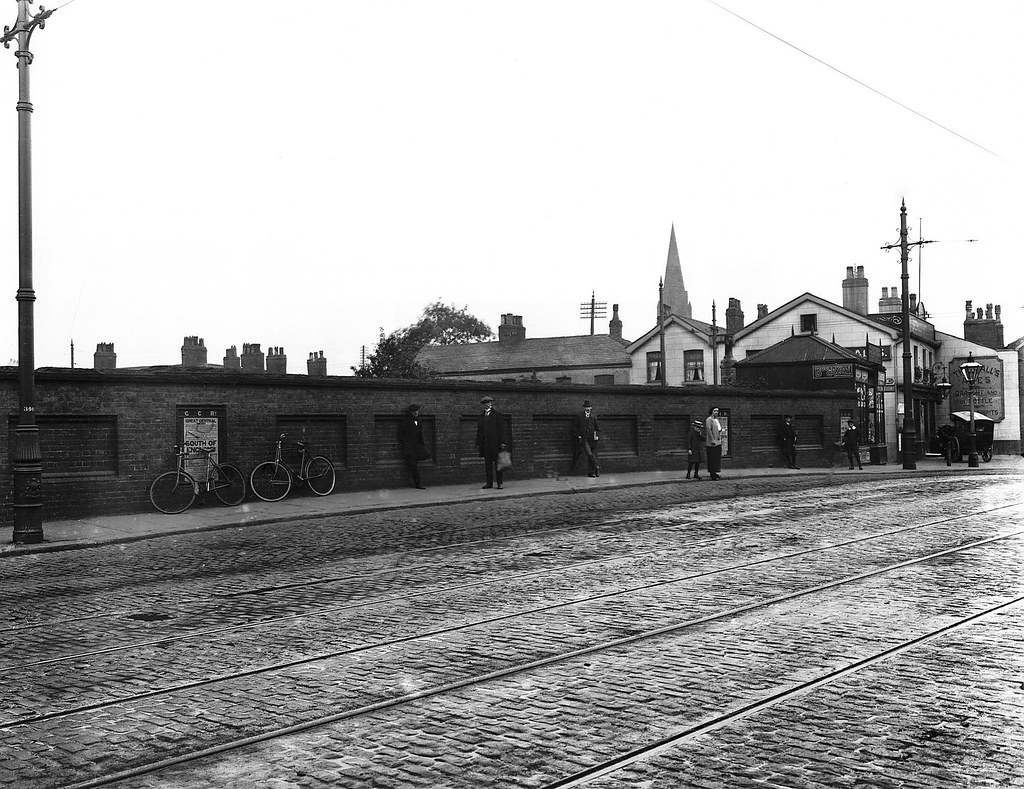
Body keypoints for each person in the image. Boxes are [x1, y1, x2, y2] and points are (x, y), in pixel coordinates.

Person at [476, 395, 508, 489]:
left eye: (489, 402)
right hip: (486, 445)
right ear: (483, 405)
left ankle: (499, 483)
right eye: (486, 403)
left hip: (496, 444)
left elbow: (502, 430)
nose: (488, 404)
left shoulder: (497, 415)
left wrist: (502, 442)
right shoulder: (481, 417)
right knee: (488, 465)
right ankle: (489, 483)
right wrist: (478, 443)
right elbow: (479, 431)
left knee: (498, 464)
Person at [397, 403, 428, 489]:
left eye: (417, 411)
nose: (416, 413)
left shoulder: (419, 420)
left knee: (415, 464)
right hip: (409, 448)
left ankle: (417, 483)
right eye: (414, 411)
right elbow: (400, 435)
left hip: (418, 447)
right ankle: (417, 483)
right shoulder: (405, 421)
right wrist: (405, 444)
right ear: (410, 412)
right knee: (413, 465)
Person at [570, 400, 601, 477]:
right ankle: (596, 467)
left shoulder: (593, 417)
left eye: (589, 407)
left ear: (591, 408)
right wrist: (578, 435)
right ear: (584, 408)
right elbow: (575, 427)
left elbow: (597, 429)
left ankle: (591, 472)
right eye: (586, 407)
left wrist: (597, 436)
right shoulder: (579, 416)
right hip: (584, 439)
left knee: (591, 455)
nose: (588, 408)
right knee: (589, 454)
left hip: (592, 439)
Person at [704, 406, 723, 481]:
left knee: (717, 458)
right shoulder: (709, 419)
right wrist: (712, 439)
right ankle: (712, 474)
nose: (716, 412)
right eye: (715, 411)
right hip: (712, 443)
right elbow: (709, 430)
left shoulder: (716, 419)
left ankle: (715, 472)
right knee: (712, 458)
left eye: (717, 411)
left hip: (718, 441)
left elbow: (719, 429)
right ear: (711, 411)